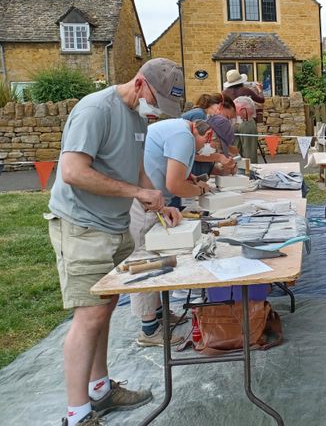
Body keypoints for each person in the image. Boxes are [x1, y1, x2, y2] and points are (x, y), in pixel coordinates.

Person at [47, 58, 184, 426]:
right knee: (89, 316)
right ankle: (77, 416)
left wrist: (157, 200)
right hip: (82, 226)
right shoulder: (95, 110)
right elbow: (73, 171)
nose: (157, 114)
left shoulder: (138, 117)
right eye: (157, 103)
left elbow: (136, 168)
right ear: (139, 84)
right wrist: (135, 191)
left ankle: (100, 390)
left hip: (114, 224)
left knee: (104, 309)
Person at [129, 119, 212, 346]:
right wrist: (198, 189)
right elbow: (175, 185)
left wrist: (191, 180)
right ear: (208, 134)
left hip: (150, 198)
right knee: (145, 259)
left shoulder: (179, 129)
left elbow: (173, 172)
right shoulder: (184, 136)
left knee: (156, 255)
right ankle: (149, 331)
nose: (202, 149)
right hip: (142, 201)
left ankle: (159, 315)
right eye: (205, 144)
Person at [191, 114, 238, 178]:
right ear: (209, 135)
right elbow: (192, 155)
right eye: (217, 146)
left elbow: (207, 169)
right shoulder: (189, 142)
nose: (216, 150)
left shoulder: (208, 155)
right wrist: (218, 157)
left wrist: (223, 170)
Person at [233, 96, 259, 164]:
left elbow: (249, 153)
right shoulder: (247, 123)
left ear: (243, 110)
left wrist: (249, 169)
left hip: (243, 165)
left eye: (236, 109)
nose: (235, 112)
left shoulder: (246, 125)